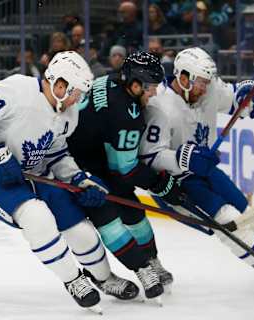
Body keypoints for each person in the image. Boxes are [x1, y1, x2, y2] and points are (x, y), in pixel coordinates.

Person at [0, 51, 139, 312]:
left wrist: (77, 179)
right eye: (76, 92)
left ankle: (105, 278)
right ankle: (73, 280)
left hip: (37, 177)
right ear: (60, 84)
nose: (79, 99)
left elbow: (56, 154)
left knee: (80, 230)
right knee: (37, 217)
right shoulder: (17, 89)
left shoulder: (68, 113)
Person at [139, 47, 254, 293]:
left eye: (208, 82)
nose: (206, 88)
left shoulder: (206, 91)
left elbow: (235, 96)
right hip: (175, 182)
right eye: (201, 82)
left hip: (207, 171)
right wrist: (183, 157)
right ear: (183, 78)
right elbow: (149, 156)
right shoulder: (159, 106)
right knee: (228, 221)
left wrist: (249, 95)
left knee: (246, 214)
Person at [68, 52, 186, 301]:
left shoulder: (110, 79)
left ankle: (151, 260)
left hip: (92, 157)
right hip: (73, 167)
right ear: (134, 85)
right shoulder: (127, 115)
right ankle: (142, 268)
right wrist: (160, 183)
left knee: (131, 207)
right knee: (107, 216)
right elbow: (127, 169)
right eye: (151, 87)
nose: (154, 93)